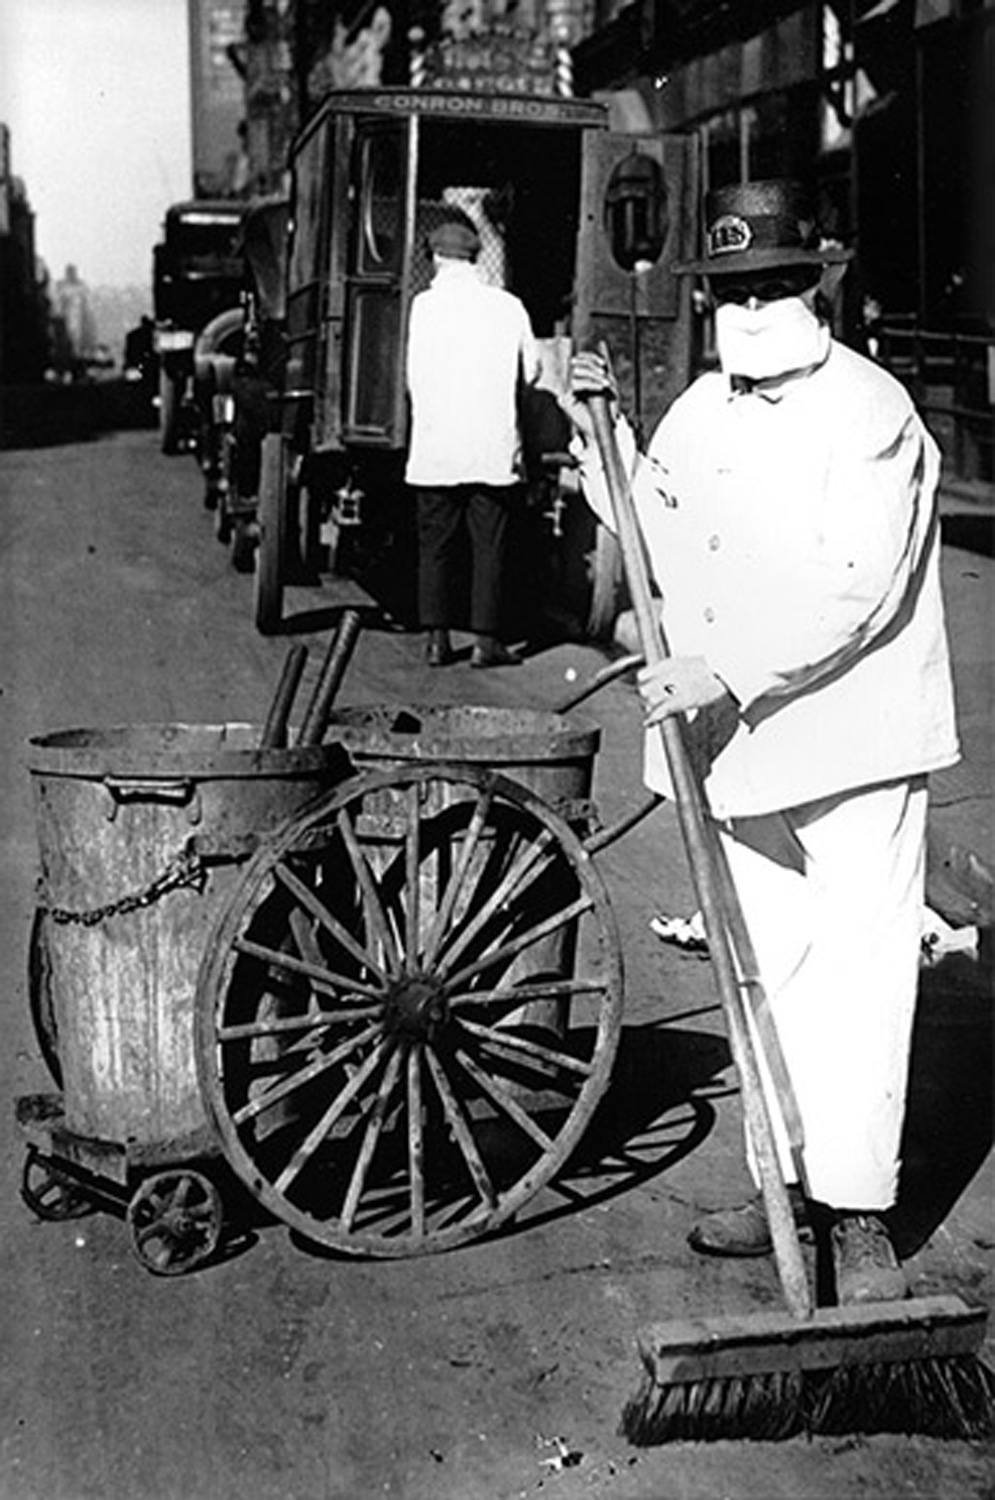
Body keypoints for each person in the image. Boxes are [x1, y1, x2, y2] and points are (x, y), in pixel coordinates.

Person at [567, 179, 959, 1305]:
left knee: (863, 971)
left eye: (768, 285)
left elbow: (853, 585)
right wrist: (602, 440)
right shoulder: (700, 410)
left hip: (851, 738)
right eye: (729, 288)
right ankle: (782, 1188)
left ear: (811, 286)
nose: (748, 307)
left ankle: (861, 1211)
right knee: (761, 971)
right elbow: (653, 527)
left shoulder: (869, 410)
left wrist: (726, 664)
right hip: (733, 742)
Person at [405, 215, 541, 667]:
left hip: (434, 450)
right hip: (492, 447)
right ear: (477, 257)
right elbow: (534, 371)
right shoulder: (508, 306)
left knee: (435, 545)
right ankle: (485, 643)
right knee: (489, 545)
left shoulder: (423, 306)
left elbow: (411, 378)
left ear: (435, 259)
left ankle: (437, 640)